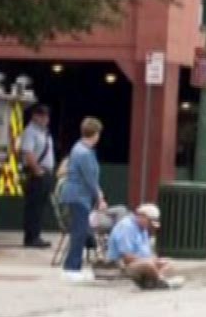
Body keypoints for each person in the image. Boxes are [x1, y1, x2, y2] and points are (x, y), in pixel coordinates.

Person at [57, 116, 105, 283]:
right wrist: (100, 196)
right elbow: (90, 178)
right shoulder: (84, 152)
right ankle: (71, 268)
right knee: (79, 233)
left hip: (78, 196)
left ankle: (72, 267)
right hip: (79, 197)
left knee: (79, 232)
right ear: (96, 133)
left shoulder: (79, 148)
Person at [108, 203, 184, 290]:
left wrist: (156, 260)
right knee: (148, 264)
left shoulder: (143, 228)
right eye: (150, 221)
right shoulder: (126, 227)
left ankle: (154, 282)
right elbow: (127, 258)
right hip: (125, 264)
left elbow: (148, 252)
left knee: (168, 262)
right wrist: (149, 261)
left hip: (142, 261)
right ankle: (161, 281)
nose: (151, 225)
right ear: (142, 216)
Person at [18, 104, 55, 249]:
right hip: (36, 174)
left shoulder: (44, 133)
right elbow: (28, 153)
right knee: (33, 207)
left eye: (46, 116)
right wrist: (37, 170)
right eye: (42, 116)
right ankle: (31, 237)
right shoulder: (30, 132)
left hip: (45, 173)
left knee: (40, 207)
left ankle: (36, 235)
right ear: (35, 116)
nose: (45, 119)